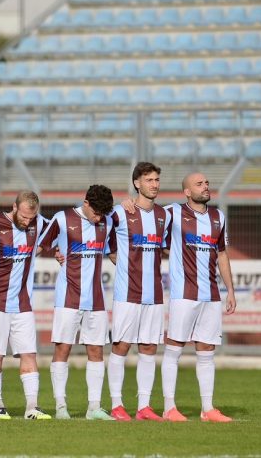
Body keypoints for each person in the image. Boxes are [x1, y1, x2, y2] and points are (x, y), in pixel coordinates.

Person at [159, 172, 236, 422]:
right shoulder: (172, 212)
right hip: (183, 294)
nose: (205, 186)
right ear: (187, 192)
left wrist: (230, 290)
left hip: (211, 294)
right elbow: (144, 213)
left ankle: (207, 409)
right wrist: (130, 202)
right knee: (174, 348)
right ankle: (169, 408)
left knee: (207, 350)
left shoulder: (218, 217)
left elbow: (222, 254)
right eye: (199, 184)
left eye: (207, 183)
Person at [42, 185, 114, 420]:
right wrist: (57, 252)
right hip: (67, 297)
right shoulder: (62, 219)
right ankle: (60, 407)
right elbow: (41, 244)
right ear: (86, 203)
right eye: (96, 213)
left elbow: (114, 251)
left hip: (96, 298)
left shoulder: (108, 221)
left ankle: (94, 408)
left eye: (102, 214)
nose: (99, 218)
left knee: (96, 349)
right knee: (63, 348)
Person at [107, 162, 171, 422]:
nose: (154, 184)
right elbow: (104, 240)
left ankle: (144, 407)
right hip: (127, 294)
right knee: (121, 346)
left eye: (156, 180)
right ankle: (116, 405)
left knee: (149, 347)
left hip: (154, 294)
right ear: (137, 183)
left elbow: (168, 247)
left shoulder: (164, 215)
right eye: (149, 180)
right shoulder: (120, 213)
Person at [0, 191, 52, 420]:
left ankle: (32, 407)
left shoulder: (39, 223)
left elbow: (61, 231)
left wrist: (56, 251)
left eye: (31, 218)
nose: (27, 222)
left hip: (22, 303)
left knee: (29, 353)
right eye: (23, 216)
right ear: (14, 207)